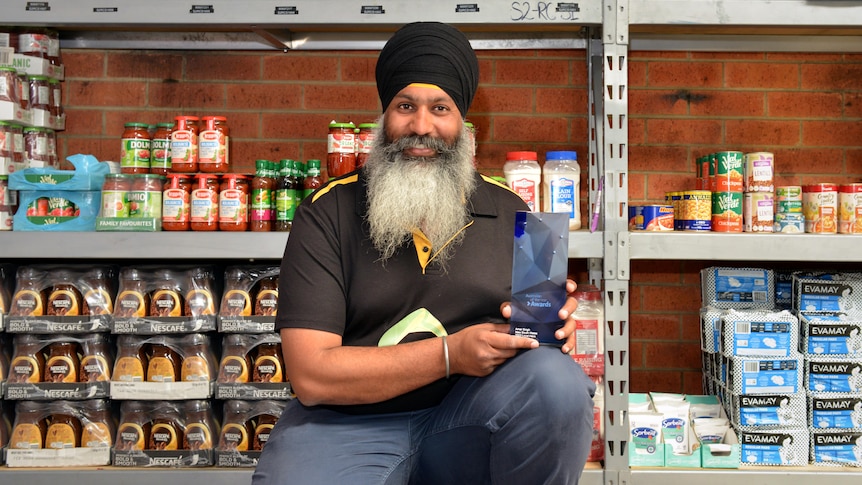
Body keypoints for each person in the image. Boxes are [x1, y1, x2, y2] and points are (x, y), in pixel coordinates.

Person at [252, 21, 596, 485]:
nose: (421, 126)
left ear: (463, 123)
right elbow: (311, 375)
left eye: (440, 108)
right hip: (344, 422)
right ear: (384, 118)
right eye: (404, 106)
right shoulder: (326, 211)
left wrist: (554, 329)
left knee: (556, 379)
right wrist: (450, 354)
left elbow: (541, 344)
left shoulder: (515, 210)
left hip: (467, 420)